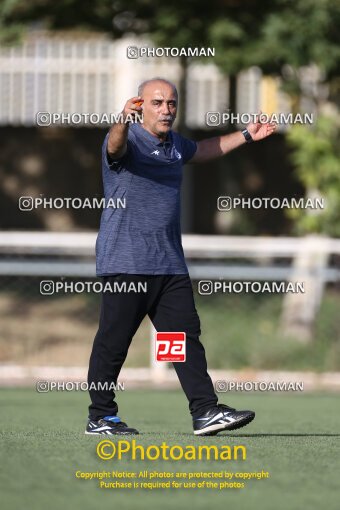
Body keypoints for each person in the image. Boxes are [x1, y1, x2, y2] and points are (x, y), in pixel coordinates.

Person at [86, 78, 276, 436]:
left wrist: (246, 135)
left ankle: (205, 411)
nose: (166, 110)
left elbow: (203, 150)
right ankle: (100, 415)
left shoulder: (173, 145)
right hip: (126, 264)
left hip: (169, 265)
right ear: (140, 106)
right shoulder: (128, 139)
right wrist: (122, 120)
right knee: (113, 344)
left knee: (183, 339)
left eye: (171, 103)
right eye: (157, 103)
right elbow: (113, 146)